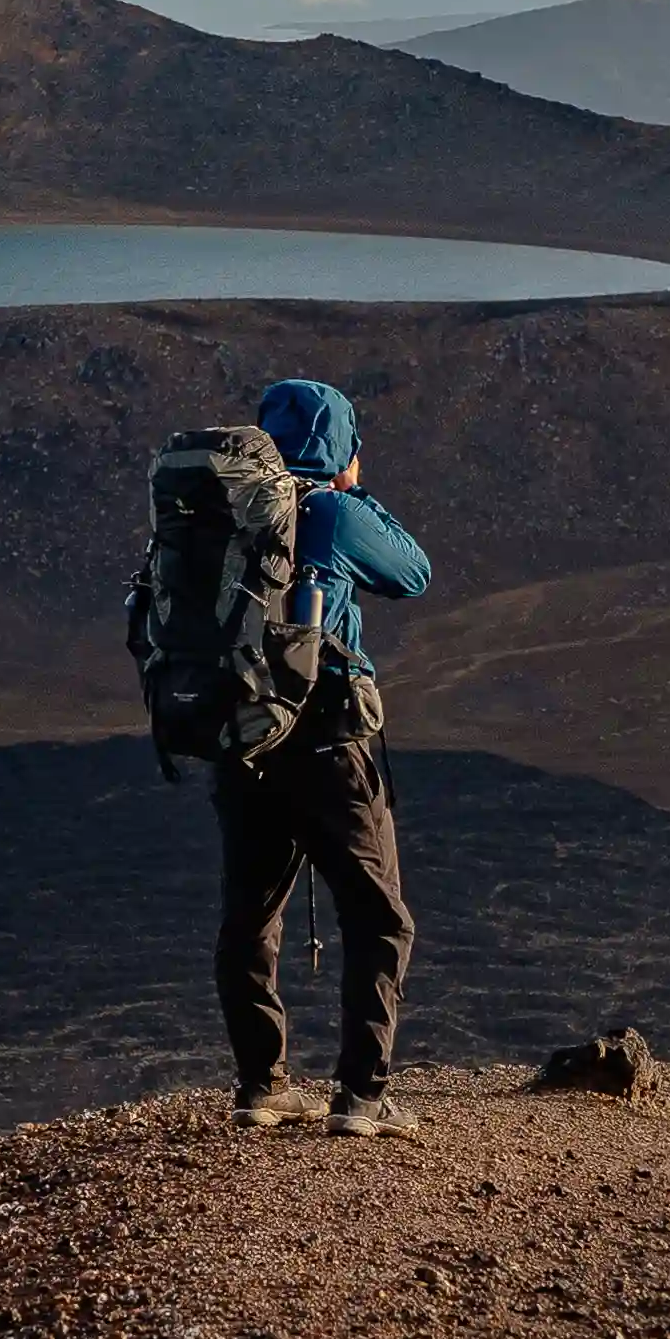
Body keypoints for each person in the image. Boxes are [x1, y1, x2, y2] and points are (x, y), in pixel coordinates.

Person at [221, 375, 432, 1136]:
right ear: (338, 442)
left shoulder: (230, 510)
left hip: (241, 736)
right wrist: (352, 486)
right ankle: (362, 1095)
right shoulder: (333, 511)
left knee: (250, 912)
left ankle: (260, 1084)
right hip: (328, 741)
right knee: (378, 915)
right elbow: (412, 571)